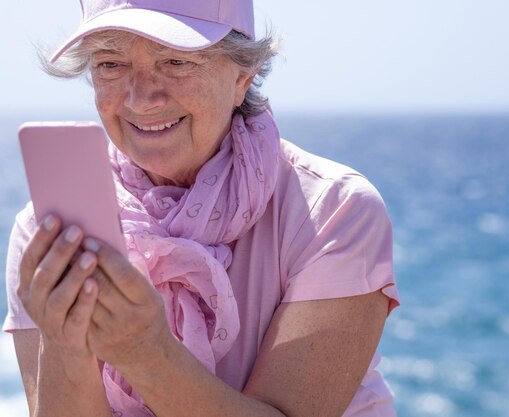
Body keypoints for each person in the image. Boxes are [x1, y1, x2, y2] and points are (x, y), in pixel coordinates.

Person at [3, 0, 400, 416]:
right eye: (111, 64)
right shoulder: (47, 233)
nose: (141, 100)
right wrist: (66, 346)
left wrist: (146, 353)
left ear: (243, 77)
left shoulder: (332, 211)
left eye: (175, 61)